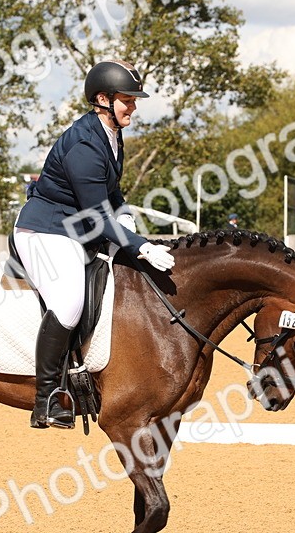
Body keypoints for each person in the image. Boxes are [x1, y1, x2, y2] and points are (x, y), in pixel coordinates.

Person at [13, 60, 175, 429]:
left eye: (134, 101)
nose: (133, 107)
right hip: (48, 230)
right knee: (70, 303)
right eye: (127, 100)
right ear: (103, 100)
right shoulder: (84, 144)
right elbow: (95, 215)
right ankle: (46, 398)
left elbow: (110, 191)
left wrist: (126, 215)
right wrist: (141, 246)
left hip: (80, 228)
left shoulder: (112, 133)